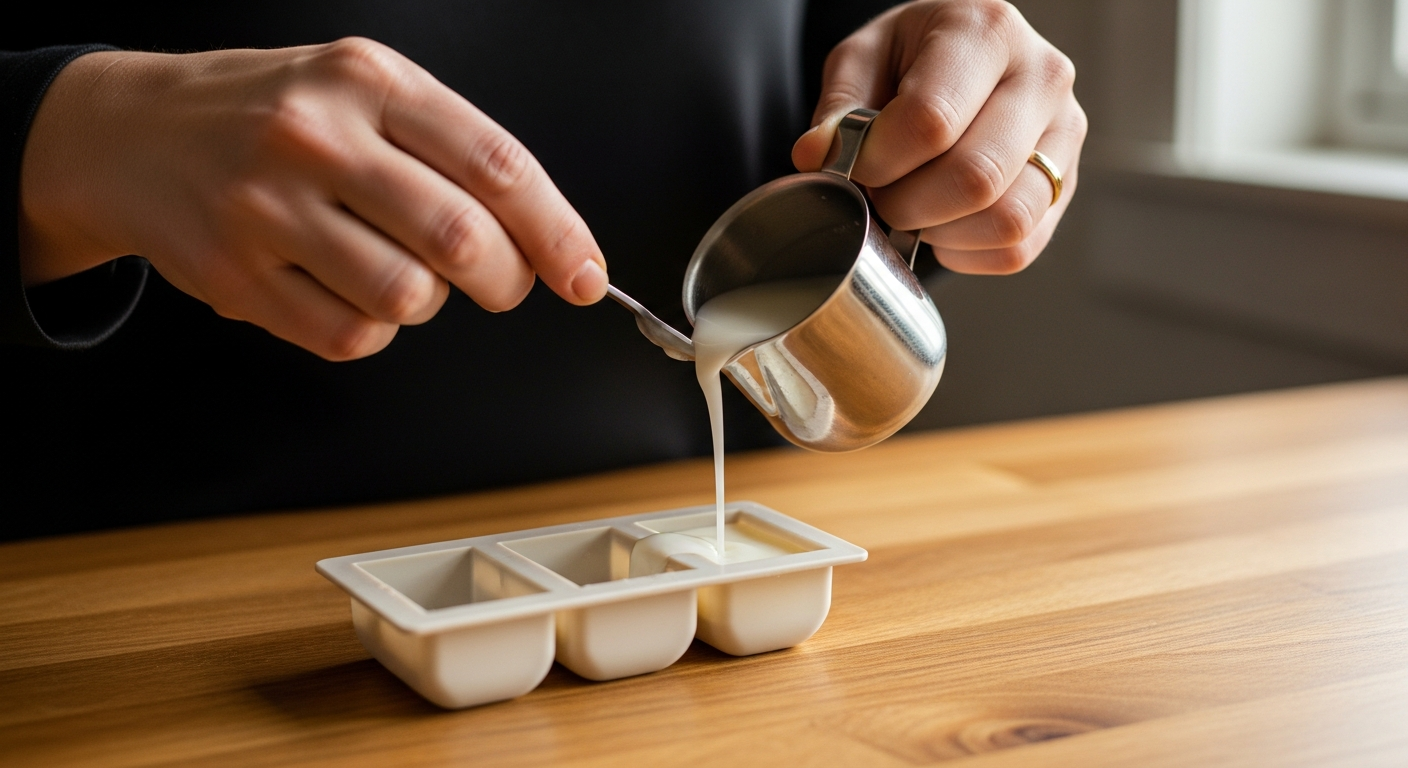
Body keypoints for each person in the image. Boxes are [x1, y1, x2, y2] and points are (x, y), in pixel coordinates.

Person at [1, 0, 1085, 539]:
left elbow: (872, 51)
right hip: (146, 564)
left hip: (708, 522)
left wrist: (953, 122)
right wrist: (60, 134)